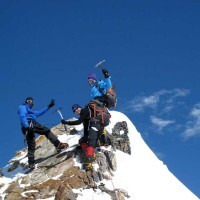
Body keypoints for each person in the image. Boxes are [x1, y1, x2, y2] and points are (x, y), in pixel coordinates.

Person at [18, 97, 68, 169]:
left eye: (32, 101)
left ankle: (31, 163)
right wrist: (26, 125)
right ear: (26, 102)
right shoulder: (23, 107)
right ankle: (58, 145)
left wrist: (49, 106)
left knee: (31, 143)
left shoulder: (31, 111)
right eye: (29, 101)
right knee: (46, 131)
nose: (30, 102)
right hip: (29, 124)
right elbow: (22, 116)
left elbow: (39, 112)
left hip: (28, 126)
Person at [61, 103, 110, 170]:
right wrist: (85, 137)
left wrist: (67, 122)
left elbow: (78, 122)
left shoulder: (85, 110)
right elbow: (86, 128)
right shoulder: (84, 116)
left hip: (95, 128)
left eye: (76, 109)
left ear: (79, 107)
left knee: (90, 144)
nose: (76, 111)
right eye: (74, 111)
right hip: (93, 129)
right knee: (82, 141)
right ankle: (92, 148)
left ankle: (89, 161)